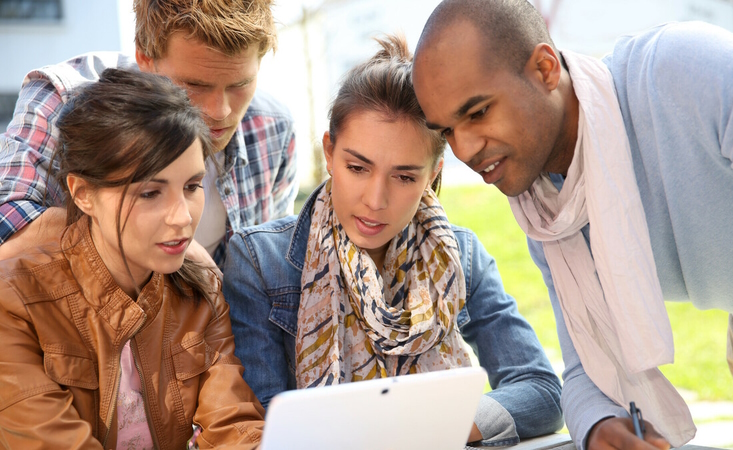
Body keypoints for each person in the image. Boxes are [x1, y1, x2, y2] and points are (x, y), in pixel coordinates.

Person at [411, 1, 733, 449]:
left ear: (544, 69)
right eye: (447, 131)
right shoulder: (546, 209)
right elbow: (582, 368)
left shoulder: (683, 72)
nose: (465, 149)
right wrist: (598, 427)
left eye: (477, 112)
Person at [221, 35, 564, 447]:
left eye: (404, 177)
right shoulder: (260, 262)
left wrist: (437, 425)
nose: (375, 200)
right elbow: (271, 427)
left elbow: (542, 390)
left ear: (433, 174)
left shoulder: (459, 258)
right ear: (329, 153)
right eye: (357, 167)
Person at [0, 68, 267, 449]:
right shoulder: (13, 303)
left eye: (192, 186)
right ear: (83, 193)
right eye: (149, 193)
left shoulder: (200, 290)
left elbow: (235, 427)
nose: (182, 217)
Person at [0, 0, 297, 269]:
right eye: (196, 85)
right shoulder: (64, 97)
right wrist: (178, 251)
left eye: (239, 84)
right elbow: (9, 223)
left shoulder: (273, 126)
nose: (220, 111)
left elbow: (270, 263)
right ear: (145, 58)